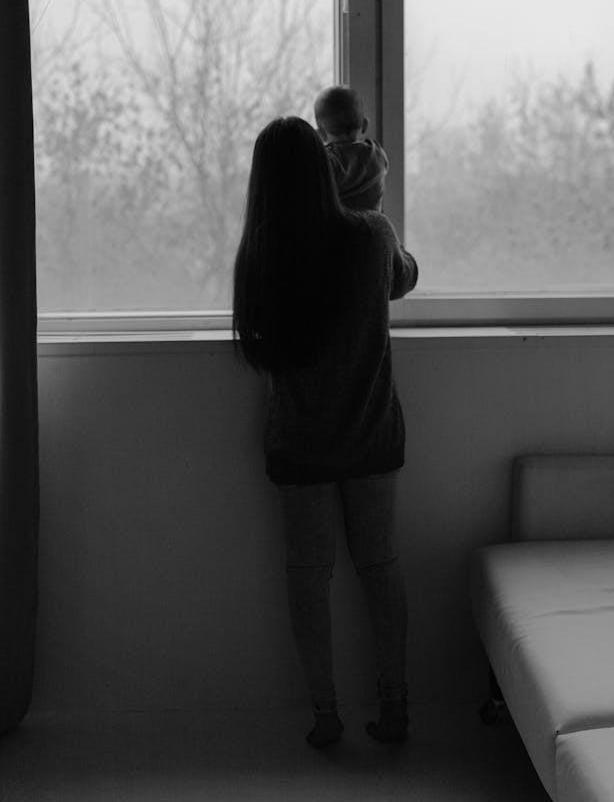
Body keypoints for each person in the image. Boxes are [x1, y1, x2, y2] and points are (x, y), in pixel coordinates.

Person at [232, 116, 418, 748]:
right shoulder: (371, 236)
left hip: (300, 443)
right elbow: (405, 278)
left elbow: (257, 344)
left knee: (309, 575)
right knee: (380, 564)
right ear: (325, 170)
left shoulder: (260, 254)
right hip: (370, 435)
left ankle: (325, 715)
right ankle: (394, 709)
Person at [314, 85, 389, 211]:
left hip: (340, 229)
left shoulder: (327, 162)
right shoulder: (376, 154)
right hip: (372, 227)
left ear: (321, 134)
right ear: (364, 125)